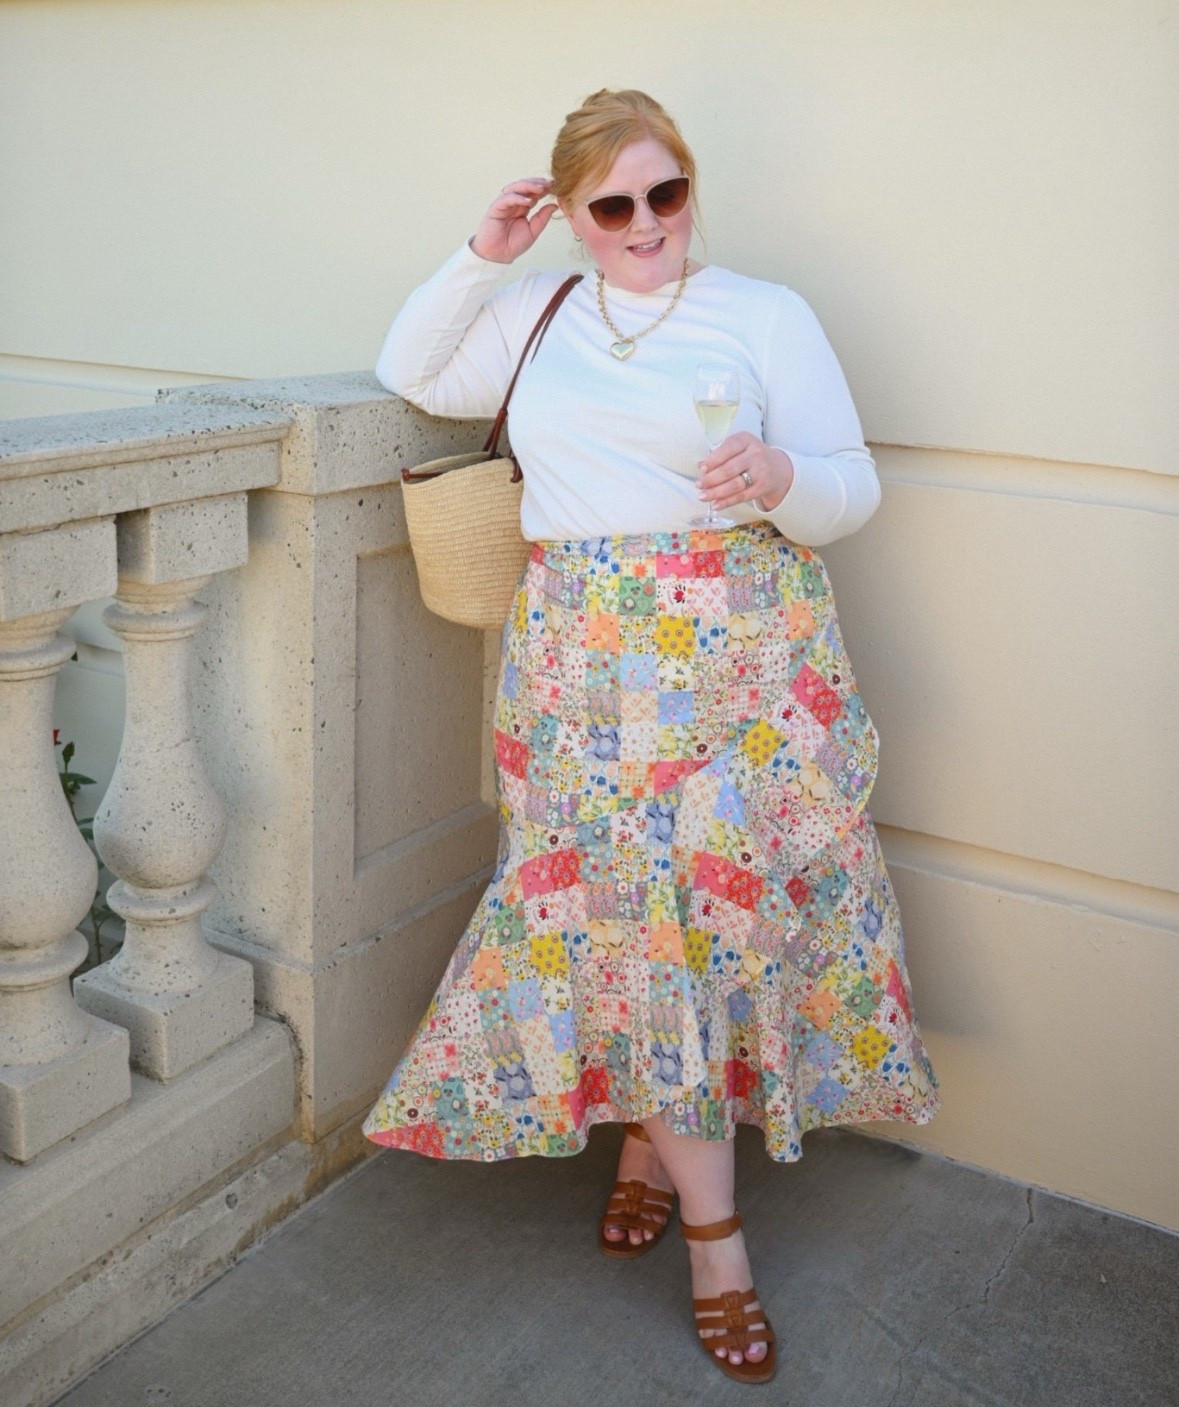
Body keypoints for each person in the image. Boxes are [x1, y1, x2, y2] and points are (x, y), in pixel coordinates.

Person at [362, 88, 941, 1385]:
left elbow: (852, 484)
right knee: (622, 923)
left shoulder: (763, 315)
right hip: (579, 670)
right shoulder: (540, 309)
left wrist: (786, 480)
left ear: (691, 190)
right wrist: (482, 256)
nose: (643, 225)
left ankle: (713, 1241)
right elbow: (408, 369)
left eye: (664, 194)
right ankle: (650, 1149)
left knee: (705, 922)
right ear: (573, 214)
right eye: (611, 204)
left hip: (740, 664)